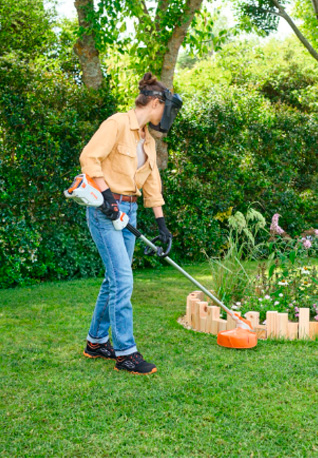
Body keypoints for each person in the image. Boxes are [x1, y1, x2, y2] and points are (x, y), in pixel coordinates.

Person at [78, 72, 181, 375]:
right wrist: (107, 195)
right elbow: (89, 157)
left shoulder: (146, 139)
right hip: (104, 210)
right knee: (123, 280)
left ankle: (95, 343)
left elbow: (151, 184)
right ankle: (126, 353)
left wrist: (162, 226)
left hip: (129, 212)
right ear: (155, 103)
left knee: (114, 281)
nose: (167, 116)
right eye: (167, 109)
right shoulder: (116, 124)